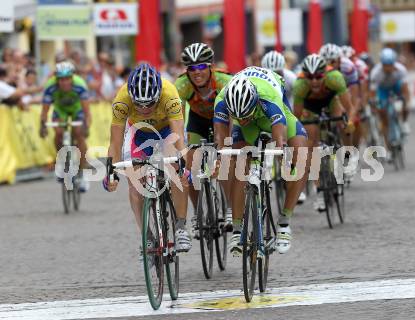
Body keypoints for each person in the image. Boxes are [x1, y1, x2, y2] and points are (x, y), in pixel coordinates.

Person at [214, 66, 309, 255]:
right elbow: (221, 140)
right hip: (244, 123)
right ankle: (237, 229)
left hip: (271, 116)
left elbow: (279, 136)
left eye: (246, 114)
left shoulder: (268, 97)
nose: (244, 119)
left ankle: (284, 223)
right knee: (240, 165)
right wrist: (222, 156)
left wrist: (281, 153)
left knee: (300, 156)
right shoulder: (222, 101)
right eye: (239, 116)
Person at [103, 63, 192, 253]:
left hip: (166, 131)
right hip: (139, 133)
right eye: (139, 104)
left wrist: (183, 165)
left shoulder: (170, 94)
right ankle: (148, 236)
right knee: (135, 185)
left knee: (178, 172)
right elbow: (115, 142)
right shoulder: (122, 99)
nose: (144, 109)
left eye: (150, 104)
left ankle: (181, 227)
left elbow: (179, 137)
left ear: (158, 95)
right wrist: (110, 172)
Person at [174, 43, 233, 231]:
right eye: (192, 68)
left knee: (225, 159)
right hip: (198, 120)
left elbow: (235, 116)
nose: (196, 72)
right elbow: (178, 119)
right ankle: (199, 212)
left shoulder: (224, 81)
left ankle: (231, 208)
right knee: (189, 166)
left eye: (201, 67)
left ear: (210, 67)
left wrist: (226, 144)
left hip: (223, 119)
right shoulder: (182, 85)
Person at [293, 54, 355, 212]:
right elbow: (297, 117)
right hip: (310, 107)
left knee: (341, 122)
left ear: (325, 74)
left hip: (330, 100)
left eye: (318, 76)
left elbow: (349, 107)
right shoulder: (299, 85)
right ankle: (319, 192)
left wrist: (349, 123)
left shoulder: (335, 77)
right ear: (304, 76)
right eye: (310, 77)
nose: (314, 81)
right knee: (311, 146)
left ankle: (344, 154)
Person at [261, 50, 306, 204]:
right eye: (270, 73)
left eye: (278, 72)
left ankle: (293, 179)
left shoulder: (291, 78)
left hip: (288, 110)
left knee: (291, 145)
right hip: (267, 113)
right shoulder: (260, 81)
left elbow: (301, 100)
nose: (274, 75)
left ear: (283, 69)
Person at [39, 62, 91, 192]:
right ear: (57, 79)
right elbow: (44, 111)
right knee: (58, 133)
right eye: (61, 79)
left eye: (67, 78)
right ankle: (61, 163)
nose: (65, 82)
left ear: (72, 77)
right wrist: (42, 126)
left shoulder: (80, 85)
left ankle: (83, 174)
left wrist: (87, 126)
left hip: (77, 110)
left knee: (79, 134)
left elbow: (87, 112)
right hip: (60, 110)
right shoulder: (50, 87)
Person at [320, 43, 360, 178]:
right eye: (327, 62)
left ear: (339, 60)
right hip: (329, 92)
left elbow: (354, 99)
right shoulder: (319, 69)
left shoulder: (348, 67)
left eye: (332, 62)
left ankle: (349, 153)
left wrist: (350, 119)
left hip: (345, 89)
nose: (330, 64)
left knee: (344, 121)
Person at [369, 48, 411, 150]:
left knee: (405, 103)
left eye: (390, 65)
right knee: (383, 116)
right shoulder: (375, 73)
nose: (388, 68)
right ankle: (388, 148)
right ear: (382, 64)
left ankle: (404, 122)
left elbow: (405, 89)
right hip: (383, 90)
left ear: (394, 63)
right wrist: (374, 104)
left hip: (396, 86)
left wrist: (406, 101)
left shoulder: (401, 69)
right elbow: (373, 93)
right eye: (385, 65)